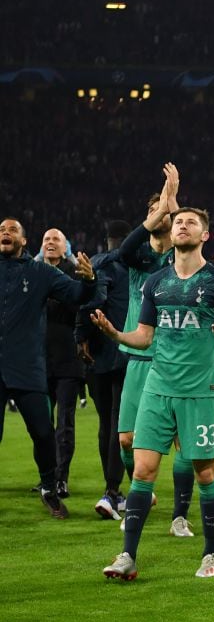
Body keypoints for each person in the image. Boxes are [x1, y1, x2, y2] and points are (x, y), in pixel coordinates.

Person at [94, 206, 214, 580]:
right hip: (158, 389)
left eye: (191, 222)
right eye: (178, 222)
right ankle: (127, 556)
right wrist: (115, 335)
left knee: (206, 473)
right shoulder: (156, 281)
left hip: (200, 392)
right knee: (142, 469)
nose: (182, 225)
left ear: (205, 235)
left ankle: (211, 555)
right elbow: (144, 337)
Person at [114, 165, 200, 536]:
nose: (167, 217)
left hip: (172, 361)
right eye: (158, 211)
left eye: (169, 213)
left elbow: (189, 235)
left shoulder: (178, 260)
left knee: (183, 443)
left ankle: (179, 515)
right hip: (137, 360)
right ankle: (142, 494)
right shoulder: (140, 259)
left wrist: (173, 200)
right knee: (127, 441)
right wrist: (157, 210)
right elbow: (125, 248)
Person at [0, 218, 96, 518]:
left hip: (27, 369)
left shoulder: (41, 272)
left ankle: (48, 487)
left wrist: (89, 280)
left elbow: (77, 295)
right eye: (1, 230)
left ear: (24, 240)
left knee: (43, 433)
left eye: (12, 230)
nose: (5, 233)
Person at [76, 219, 132, 520]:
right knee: (119, 425)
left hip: (96, 357)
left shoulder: (97, 263)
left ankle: (114, 491)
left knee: (105, 423)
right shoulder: (131, 265)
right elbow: (97, 298)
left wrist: (80, 337)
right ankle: (113, 491)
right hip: (125, 353)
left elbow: (86, 303)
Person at [41, 228, 87, 498]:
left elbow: (80, 306)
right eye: (46, 239)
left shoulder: (75, 273)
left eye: (55, 239)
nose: (50, 243)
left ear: (65, 247)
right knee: (41, 424)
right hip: (39, 360)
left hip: (69, 361)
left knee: (64, 423)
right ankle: (47, 476)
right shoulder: (34, 273)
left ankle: (61, 478)